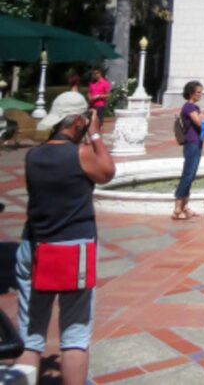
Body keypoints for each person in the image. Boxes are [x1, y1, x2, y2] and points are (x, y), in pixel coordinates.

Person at [15, 91, 115, 385]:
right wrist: (95, 136)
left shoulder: (33, 156)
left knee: (31, 334)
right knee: (74, 334)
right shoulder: (81, 154)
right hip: (73, 251)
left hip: (34, 247)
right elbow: (107, 171)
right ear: (79, 121)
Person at [173, 81, 204, 219]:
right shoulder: (188, 107)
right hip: (191, 143)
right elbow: (198, 122)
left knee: (191, 176)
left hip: (198, 142)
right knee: (187, 175)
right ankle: (177, 209)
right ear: (191, 93)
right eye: (198, 92)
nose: (200, 94)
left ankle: (185, 206)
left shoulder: (196, 108)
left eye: (201, 92)